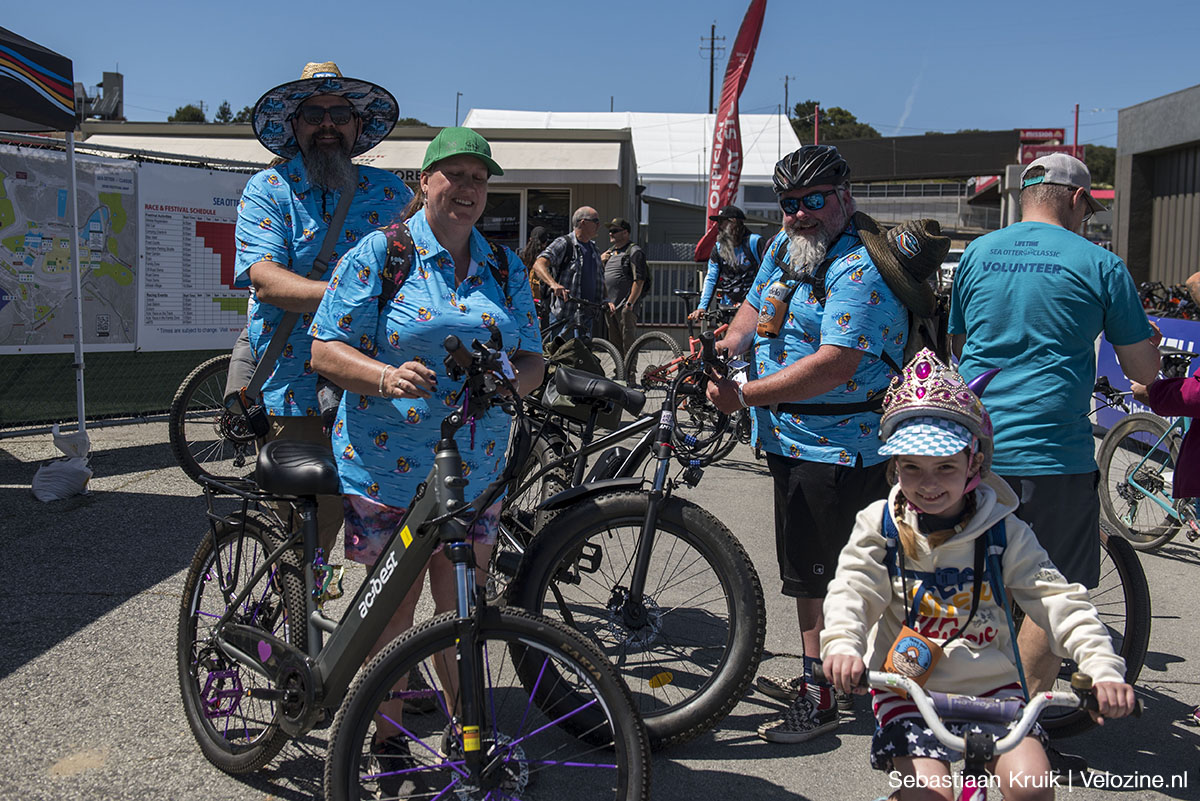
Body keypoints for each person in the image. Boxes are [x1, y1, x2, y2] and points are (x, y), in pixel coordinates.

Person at [309, 127, 544, 777]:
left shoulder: (503, 266)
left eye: (479, 178)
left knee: (463, 611)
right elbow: (323, 347)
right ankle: (384, 741)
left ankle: (468, 739)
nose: (467, 189)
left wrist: (510, 378)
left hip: (476, 472)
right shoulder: (382, 254)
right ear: (425, 182)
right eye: (455, 175)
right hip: (390, 471)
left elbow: (533, 359)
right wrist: (384, 376)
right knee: (396, 617)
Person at [821, 350, 1136, 800]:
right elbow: (852, 588)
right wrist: (843, 644)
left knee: (1031, 786)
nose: (928, 484)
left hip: (992, 689)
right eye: (912, 467)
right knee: (927, 793)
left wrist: (1102, 667)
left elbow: (1057, 599)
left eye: (945, 466)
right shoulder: (881, 525)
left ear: (974, 464)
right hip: (907, 689)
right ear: (894, 467)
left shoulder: (1004, 531)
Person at [948, 151, 1160, 775]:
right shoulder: (1100, 264)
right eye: (1089, 208)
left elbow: (962, 344)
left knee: (971, 585)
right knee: (1050, 593)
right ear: (1073, 199)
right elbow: (1144, 369)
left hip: (972, 446)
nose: (1090, 219)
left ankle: (955, 717)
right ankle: (1014, 737)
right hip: (1053, 454)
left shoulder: (980, 256)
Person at [704, 144, 909, 742]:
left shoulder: (858, 268)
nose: (799, 213)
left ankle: (819, 693)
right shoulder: (782, 248)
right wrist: (721, 350)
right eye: (790, 203)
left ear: (844, 198)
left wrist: (746, 395)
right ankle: (851, 673)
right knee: (809, 570)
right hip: (790, 438)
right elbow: (751, 313)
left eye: (813, 201)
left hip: (838, 447)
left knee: (823, 577)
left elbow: (837, 363)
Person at [235, 61, 413, 553]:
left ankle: (360, 624)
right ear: (294, 126)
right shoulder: (270, 190)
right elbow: (264, 280)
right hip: (294, 382)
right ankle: (286, 617)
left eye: (341, 113)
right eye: (314, 114)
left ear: (359, 127)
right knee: (304, 526)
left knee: (385, 521)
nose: (328, 124)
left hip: (378, 379)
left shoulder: (393, 193)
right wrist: (353, 294)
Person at [531, 206, 605, 337]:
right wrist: (553, 284)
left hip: (587, 315)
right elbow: (539, 264)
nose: (599, 225)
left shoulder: (594, 249)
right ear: (583, 222)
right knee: (562, 356)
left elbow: (599, 278)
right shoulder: (565, 243)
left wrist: (606, 299)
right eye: (595, 221)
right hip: (566, 315)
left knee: (582, 355)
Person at [689, 204, 768, 322]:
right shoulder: (718, 248)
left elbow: (769, 273)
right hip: (727, 307)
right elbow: (711, 278)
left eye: (722, 222)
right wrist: (702, 307)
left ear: (734, 222)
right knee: (724, 338)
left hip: (753, 305)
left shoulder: (755, 242)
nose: (719, 226)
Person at [600, 217, 648, 354]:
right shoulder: (609, 253)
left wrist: (629, 305)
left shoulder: (634, 252)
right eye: (610, 231)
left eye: (615, 231)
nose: (611, 234)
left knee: (628, 344)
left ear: (625, 233)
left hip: (625, 307)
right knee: (615, 346)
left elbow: (639, 280)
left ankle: (629, 374)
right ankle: (619, 372)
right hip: (610, 307)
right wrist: (600, 260)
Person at [520, 225, 554, 329]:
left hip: (524, 300)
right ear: (545, 243)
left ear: (530, 239)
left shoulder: (522, 256)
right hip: (541, 302)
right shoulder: (545, 259)